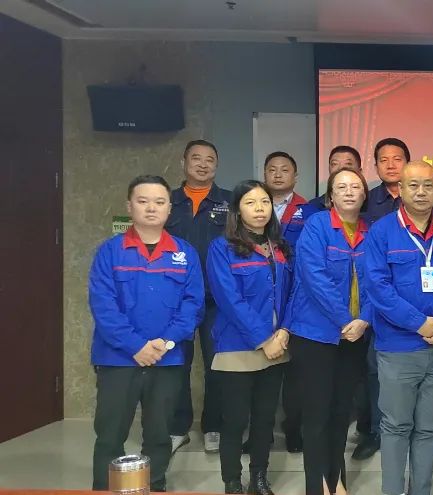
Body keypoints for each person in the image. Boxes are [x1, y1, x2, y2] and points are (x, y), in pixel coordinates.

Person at [89, 175, 204, 492]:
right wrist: (136, 346)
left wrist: (165, 342)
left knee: (159, 434)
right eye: (142, 201)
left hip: (168, 359)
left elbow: (193, 305)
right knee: (110, 434)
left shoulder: (185, 253)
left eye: (159, 202)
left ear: (169, 208)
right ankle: (105, 488)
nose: (151, 208)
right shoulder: (110, 252)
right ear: (130, 206)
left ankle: (154, 486)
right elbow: (103, 306)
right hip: (117, 359)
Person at [365, 161, 433, 495]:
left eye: (428, 185)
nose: (421, 192)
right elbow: (378, 288)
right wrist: (418, 323)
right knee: (396, 426)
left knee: (430, 428)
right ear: (401, 190)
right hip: (398, 349)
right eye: (414, 185)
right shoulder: (381, 231)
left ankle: (421, 489)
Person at [287, 168, 371, 495]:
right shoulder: (317, 225)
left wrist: (364, 319)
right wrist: (346, 320)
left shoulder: (371, 231)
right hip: (316, 335)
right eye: (341, 187)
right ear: (331, 196)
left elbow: (379, 281)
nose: (349, 192)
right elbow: (314, 278)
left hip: (355, 336)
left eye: (355, 186)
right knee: (317, 415)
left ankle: (336, 482)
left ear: (364, 194)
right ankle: (317, 486)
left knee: (341, 413)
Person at [206, 180, 293, 494]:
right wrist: (264, 339)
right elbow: (229, 299)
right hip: (237, 347)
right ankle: (232, 480)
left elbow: (293, 295)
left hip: (277, 347)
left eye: (265, 202)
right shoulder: (222, 248)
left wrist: (283, 332)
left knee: (264, 420)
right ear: (237, 210)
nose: (260, 209)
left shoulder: (280, 247)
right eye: (251, 203)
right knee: (234, 420)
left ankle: (259, 478)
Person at [166, 139, 231, 454]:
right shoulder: (167, 201)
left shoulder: (230, 202)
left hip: (216, 298)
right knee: (176, 362)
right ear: (184, 163)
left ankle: (213, 426)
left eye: (210, 159)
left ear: (216, 165)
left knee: (216, 364)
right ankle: (178, 427)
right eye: (196, 158)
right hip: (174, 298)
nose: (203, 164)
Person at [263, 151, 307, 249]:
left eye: (284, 170)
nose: (278, 175)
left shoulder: (308, 210)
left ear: (295, 177)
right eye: (272, 170)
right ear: (264, 176)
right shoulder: (251, 206)